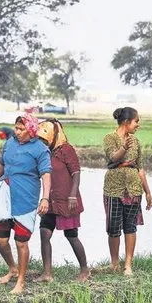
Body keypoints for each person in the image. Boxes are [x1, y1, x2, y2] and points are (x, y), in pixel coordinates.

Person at [0, 114, 51, 294]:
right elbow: (1, 164)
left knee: (21, 242)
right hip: (5, 194)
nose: (17, 132)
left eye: (21, 129)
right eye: (16, 128)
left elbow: (46, 175)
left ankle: (21, 281)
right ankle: (12, 269)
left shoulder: (40, 149)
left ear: (31, 130)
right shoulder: (9, 143)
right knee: (0, 238)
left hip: (26, 199)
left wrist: (45, 198)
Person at [35, 119, 89, 283]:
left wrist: (72, 195)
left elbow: (76, 173)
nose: (42, 142)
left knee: (71, 235)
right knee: (44, 233)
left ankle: (85, 270)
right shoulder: (45, 153)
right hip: (50, 201)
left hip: (67, 200)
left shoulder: (66, 150)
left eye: (45, 139)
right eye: (41, 140)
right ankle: (47, 273)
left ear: (54, 135)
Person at [103, 107, 152, 276]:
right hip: (113, 188)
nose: (138, 125)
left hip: (133, 188)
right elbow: (113, 158)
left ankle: (128, 265)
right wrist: (124, 147)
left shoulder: (136, 142)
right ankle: (114, 263)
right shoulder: (109, 138)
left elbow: (140, 168)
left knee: (130, 226)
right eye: (136, 121)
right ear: (126, 122)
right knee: (113, 227)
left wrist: (148, 192)